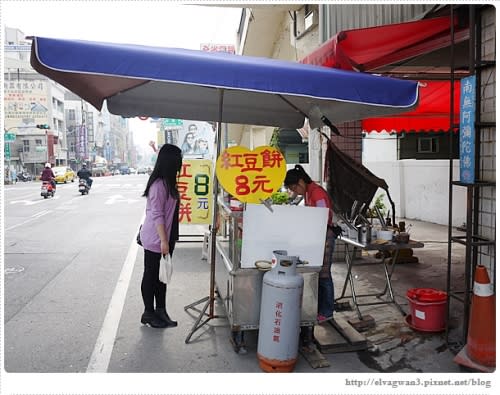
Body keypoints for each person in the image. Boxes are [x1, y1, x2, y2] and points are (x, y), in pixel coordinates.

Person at [284, 164, 336, 323]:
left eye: (294, 188)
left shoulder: (317, 193)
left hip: (325, 237)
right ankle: (320, 308)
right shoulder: (308, 192)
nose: (294, 192)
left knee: (324, 275)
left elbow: (323, 218)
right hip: (317, 237)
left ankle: (327, 312)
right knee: (318, 274)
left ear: (300, 182)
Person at [139, 144, 182, 328]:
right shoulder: (159, 185)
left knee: (161, 276)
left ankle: (161, 311)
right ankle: (149, 313)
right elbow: (157, 214)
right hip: (156, 237)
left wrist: (169, 239)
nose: (181, 161)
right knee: (151, 275)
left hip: (165, 236)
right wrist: (164, 241)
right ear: (171, 161)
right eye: (179, 158)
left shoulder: (168, 182)